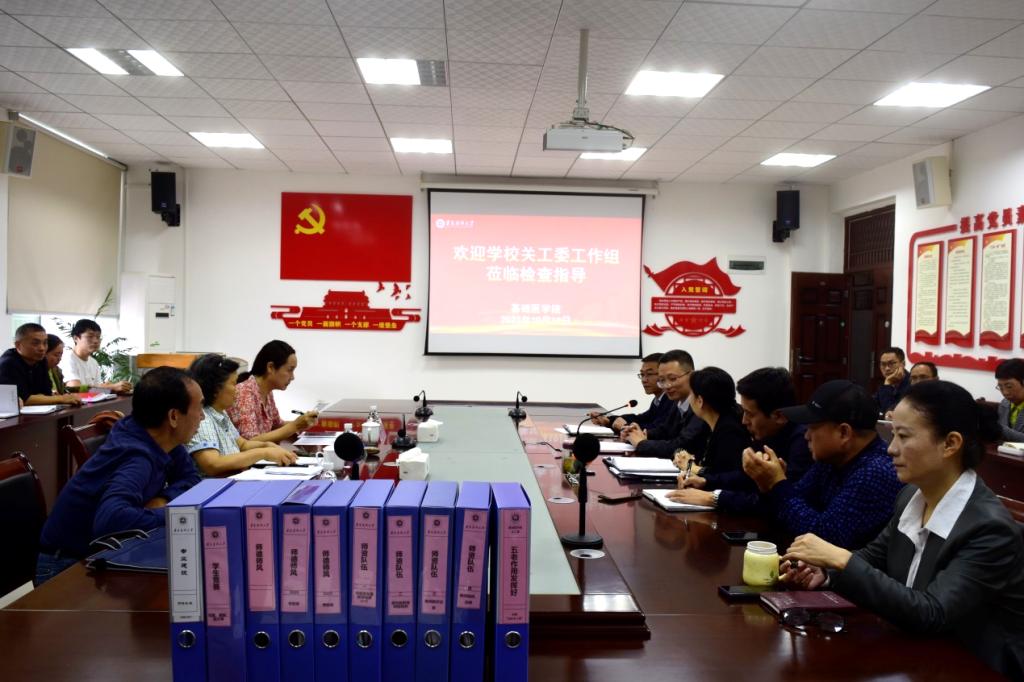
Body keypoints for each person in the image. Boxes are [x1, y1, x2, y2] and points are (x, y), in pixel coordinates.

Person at [781, 380, 1024, 679]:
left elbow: (932, 613)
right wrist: (826, 572)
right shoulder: (911, 495)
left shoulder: (990, 528)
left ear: (950, 444)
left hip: (976, 667)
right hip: (917, 653)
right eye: (893, 434)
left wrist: (842, 559)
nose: (891, 448)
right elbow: (875, 556)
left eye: (904, 436)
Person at [35, 367, 204, 585]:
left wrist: (163, 499)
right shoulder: (136, 457)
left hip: (103, 551)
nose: (202, 416)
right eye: (199, 407)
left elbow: (191, 478)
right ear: (173, 417)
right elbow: (111, 520)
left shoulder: (159, 438)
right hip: (67, 566)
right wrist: (177, 515)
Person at [742, 379, 903, 550]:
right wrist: (768, 486)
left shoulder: (876, 472)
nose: (806, 436)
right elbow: (791, 510)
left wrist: (777, 484)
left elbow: (824, 538)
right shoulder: (831, 460)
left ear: (844, 433)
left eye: (812, 427)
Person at [670, 367, 811, 513]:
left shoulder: (803, 443)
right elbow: (746, 476)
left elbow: (783, 502)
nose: (744, 421)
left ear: (779, 416)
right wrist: (706, 481)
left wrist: (714, 498)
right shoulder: (766, 433)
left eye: (750, 414)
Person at [187, 354, 297, 476]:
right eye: (234, 384)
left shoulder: (220, 413)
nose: (238, 389)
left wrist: (266, 445)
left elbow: (243, 444)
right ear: (216, 389)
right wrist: (264, 453)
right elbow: (213, 464)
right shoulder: (204, 420)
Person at [620, 349, 709, 459]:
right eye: (662, 380)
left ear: (691, 375)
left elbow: (683, 446)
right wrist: (637, 433)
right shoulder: (678, 402)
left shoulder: (702, 405)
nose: (667, 385)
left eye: (672, 379)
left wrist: (641, 443)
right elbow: (665, 431)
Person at [227, 340, 318, 442]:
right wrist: (295, 426)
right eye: (290, 370)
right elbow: (250, 442)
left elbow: (277, 425)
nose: (293, 377)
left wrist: (303, 423)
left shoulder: (267, 392)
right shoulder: (244, 393)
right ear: (270, 367)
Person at [669, 366, 749, 478]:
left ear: (700, 401)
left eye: (691, 394)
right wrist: (683, 456)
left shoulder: (731, 430)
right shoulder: (708, 423)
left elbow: (725, 475)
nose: (689, 399)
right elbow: (690, 451)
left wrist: (691, 467)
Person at [589, 352, 674, 432]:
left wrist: (625, 426)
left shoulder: (672, 401)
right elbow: (641, 419)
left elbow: (659, 430)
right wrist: (609, 420)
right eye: (642, 374)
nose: (644, 380)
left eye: (649, 374)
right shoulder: (658, 400)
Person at [0, 323, 80, 406]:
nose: (42, 348)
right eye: (35, 343)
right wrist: (61, 398)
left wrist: (41, 398)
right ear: (18, 345)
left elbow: (46, 393)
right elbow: (22, 399)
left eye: (45, 343)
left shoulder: (41, 361)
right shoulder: (8, 364)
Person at [60, 319, 132, 393]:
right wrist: (111, 387)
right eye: (90, 336)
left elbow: (96, 390)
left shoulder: (93, 362)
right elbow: (74, 388)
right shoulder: (67, 358)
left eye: (98, 337)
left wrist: (113, 388)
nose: (95, 341)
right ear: (76, 338)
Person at [874, 346, 910, 416]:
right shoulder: (885, 383)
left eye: (891, 363)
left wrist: (887, 384)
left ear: (903, 364)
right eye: (883, 364)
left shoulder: (912, 382)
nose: (887, 368)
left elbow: (889, 412)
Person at [995, 358, 1024, 442]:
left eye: (1009, 386)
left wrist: (999, 429)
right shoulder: (1004, 403)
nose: (1005, 392)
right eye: (1000, 387)